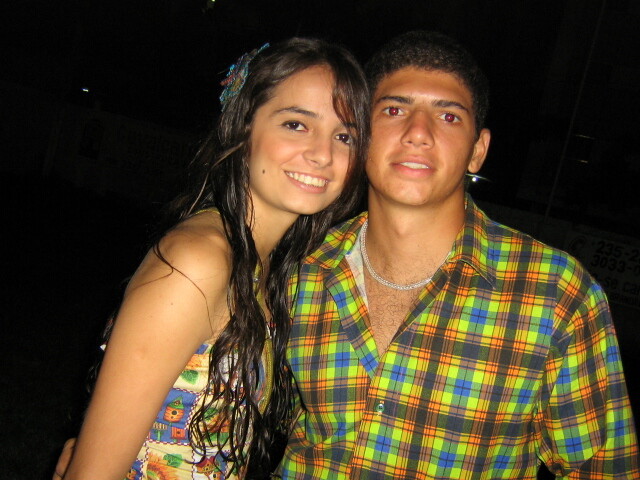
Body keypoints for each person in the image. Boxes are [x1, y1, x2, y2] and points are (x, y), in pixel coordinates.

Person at [277, 31, 639, 479]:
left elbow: (604, 469)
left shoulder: (556, 293)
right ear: (361, 132)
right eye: (394, 110)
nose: (418, 133)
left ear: (477, 151)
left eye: (448, 117)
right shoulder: (303, 269)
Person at [56, 37, 369, 480]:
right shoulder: (198, 261)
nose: (323, 154)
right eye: (296, 124)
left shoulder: (261, 266)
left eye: (344, 136)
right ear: (243, 129)